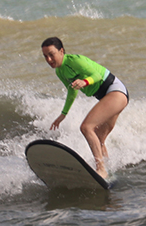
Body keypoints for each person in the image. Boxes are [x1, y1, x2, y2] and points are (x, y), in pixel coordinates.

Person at [41, 37, 129, 179]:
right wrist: (63, 114)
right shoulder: (60, 71)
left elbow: (97, 76)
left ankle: (101, 169)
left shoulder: (75, 61)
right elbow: (72, 90)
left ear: (61, 51)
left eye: (52, 54)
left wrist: (85, 81)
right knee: (99, 139)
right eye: (45, 56)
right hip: (110, 96)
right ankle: (109, 171)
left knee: (86, 127)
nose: (49, 59)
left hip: (115, 91)